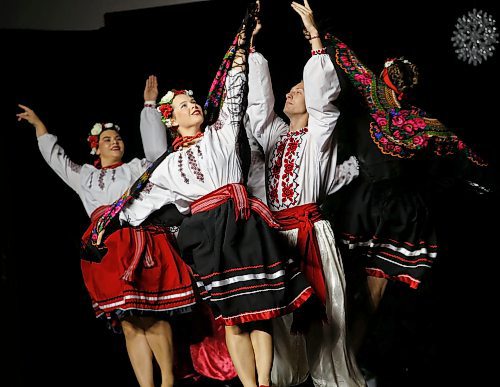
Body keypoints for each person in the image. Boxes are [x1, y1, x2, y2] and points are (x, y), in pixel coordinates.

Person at [116, 18, 315, 387]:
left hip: (242, 224)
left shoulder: (222, 133)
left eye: (193, 101)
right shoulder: (166, 167)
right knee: (232, 318)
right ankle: (249, 384)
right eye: (183, 105)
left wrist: (242, 46)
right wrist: (108, 228)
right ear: (172, 121)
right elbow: (136, 206)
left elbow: (235, 88)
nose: (192, 106)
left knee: (259, 311)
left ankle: (265, 385)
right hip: (207, 236)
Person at [16, 79, 199, 387]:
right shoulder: (85, 176)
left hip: (137, 240)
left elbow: (159, 157)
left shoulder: (137, 167)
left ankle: (168, 380)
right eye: (108, 140)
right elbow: (56, 159)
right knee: (128, 321)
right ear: (95, 148)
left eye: (118, 138)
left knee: (150, 311)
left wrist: (149, 106)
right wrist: (38, 125)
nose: (115, 142)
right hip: (105, 249)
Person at [321, 33, 490, 359]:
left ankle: (346, 364)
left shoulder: (412, 116)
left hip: (386, 208)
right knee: (350, 288)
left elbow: (468, 160)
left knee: (366, 291)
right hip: (371, 204)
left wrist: (321, 35)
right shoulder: (416, 119)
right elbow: (470, 160)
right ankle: (338, 362)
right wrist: (321, 36)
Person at [245, 1, 365, 386]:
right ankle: (286, 376)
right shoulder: (278, 135)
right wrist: (251, 50)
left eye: (299, 89)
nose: (291, 93)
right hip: (277, 236)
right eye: (292, 88)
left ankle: (331, 378)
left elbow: (322, 97)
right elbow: (259, 107)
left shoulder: (319, 134)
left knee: (327, 311)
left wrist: (314, 37)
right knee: (280, 313)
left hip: (310, 231)